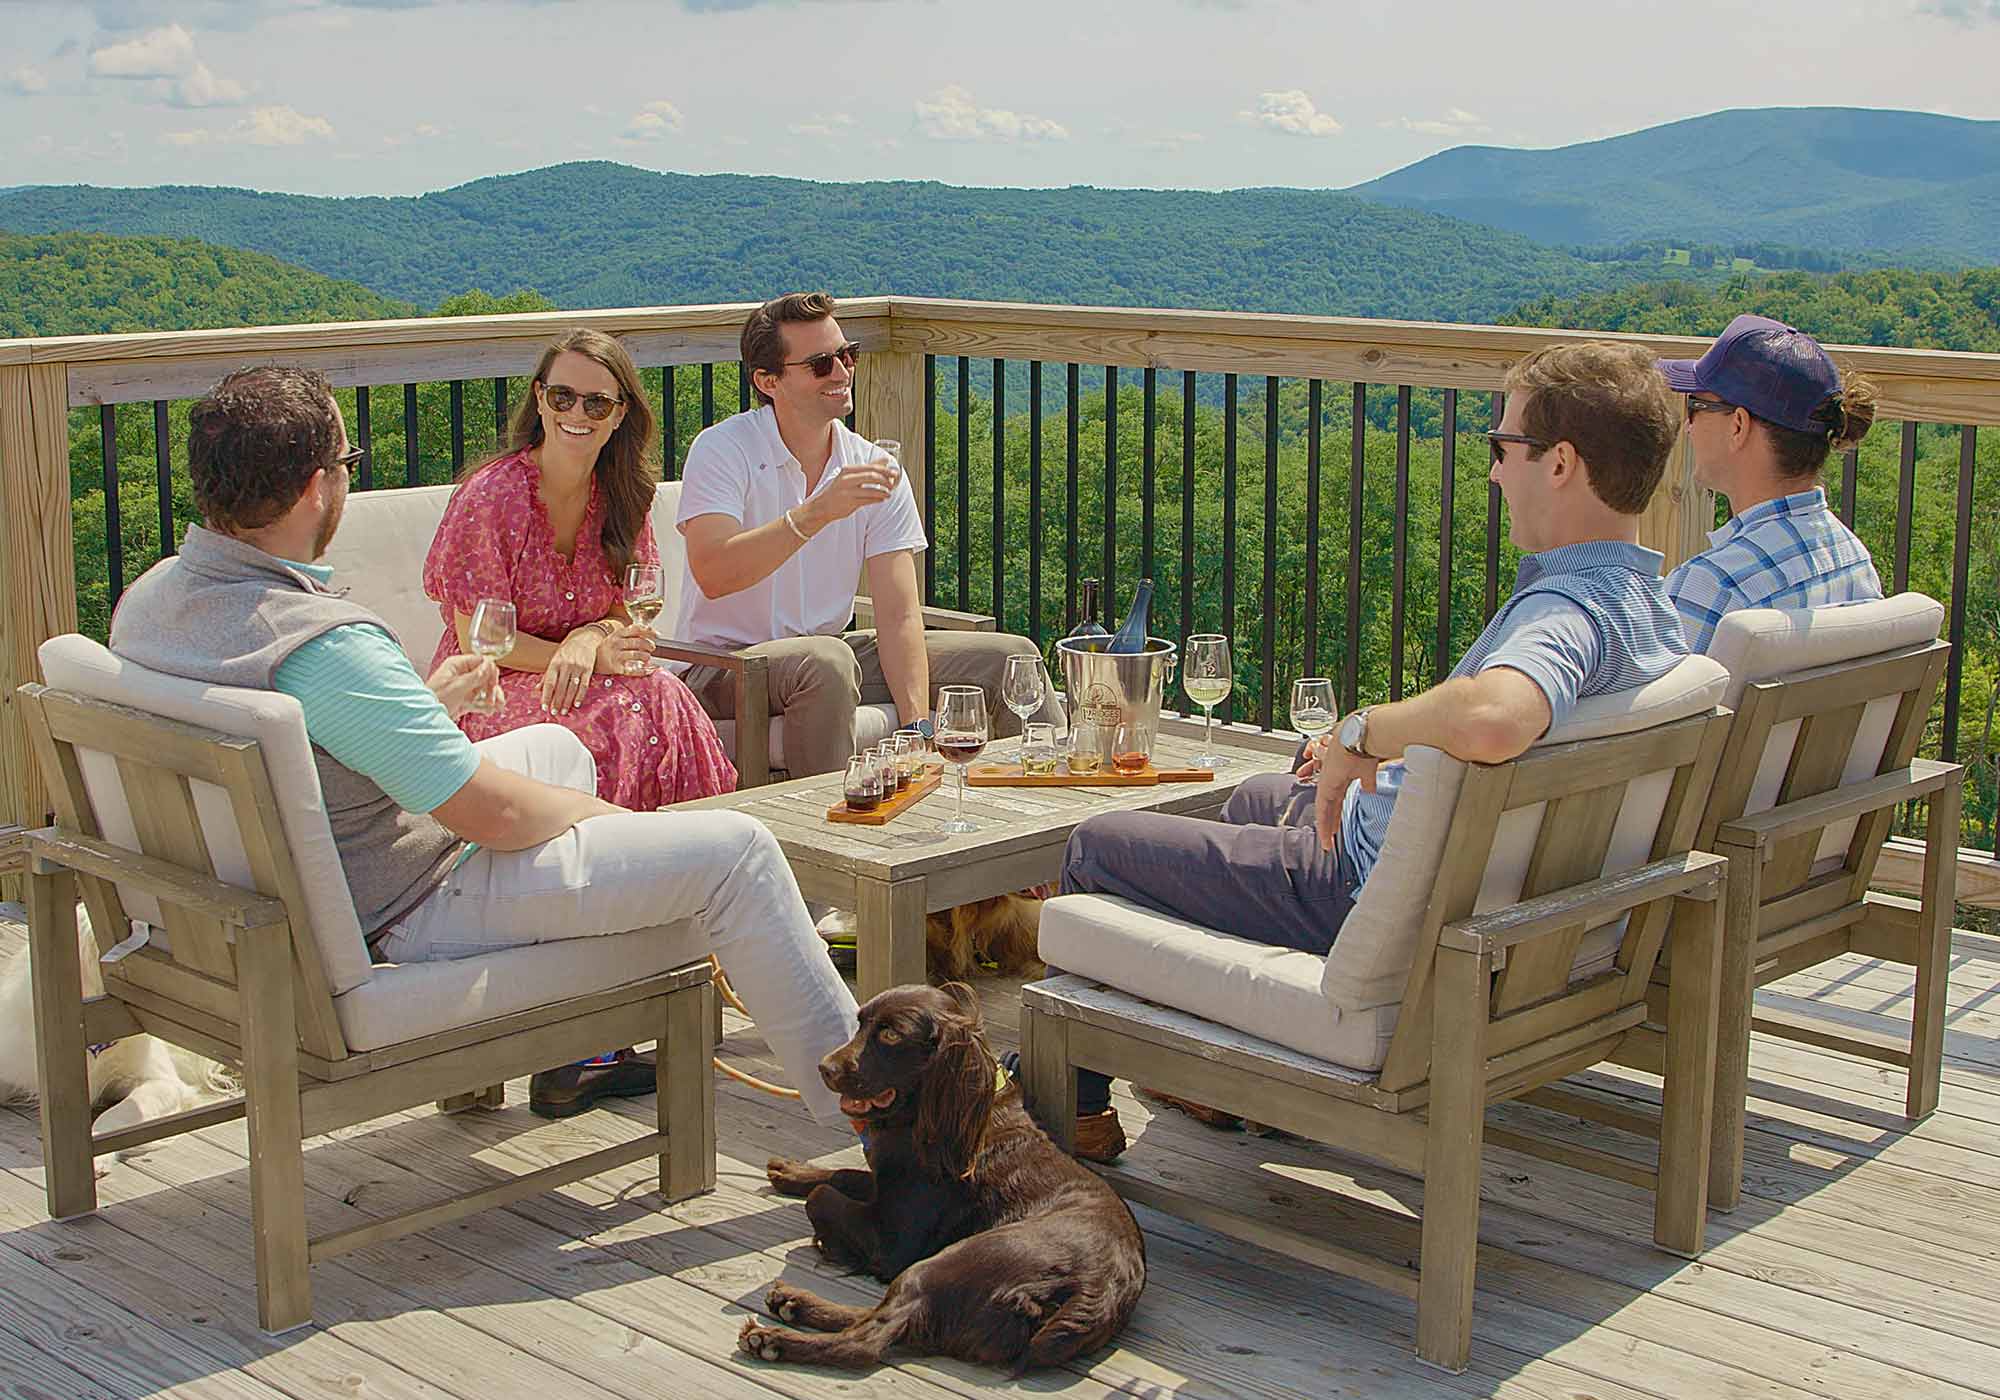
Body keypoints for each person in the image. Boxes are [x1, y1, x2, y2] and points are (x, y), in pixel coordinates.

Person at [108, 366, 858, 1126]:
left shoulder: (153, 602)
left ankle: (599, 1035)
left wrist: (424, 707)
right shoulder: (322, 646)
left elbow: (305, 743)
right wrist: (601, 817)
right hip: (406, 905)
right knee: (740, 853)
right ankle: (872, 1111)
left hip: (293, 888)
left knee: (558, 747)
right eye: (346, 463)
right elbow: (490, 818)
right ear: (314, 489)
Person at [1045, 341, 1691, 1161]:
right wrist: (1353, 759)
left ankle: (1064, 1103)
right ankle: (1205, 1075)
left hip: (1374, 897)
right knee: (1256, 796)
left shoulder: (1566, 611)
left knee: (1097, 847)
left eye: (1503, 446)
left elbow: (1495, 716)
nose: (1493, 470)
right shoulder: (1647, 604)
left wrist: (1363, 732)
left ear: (1560, 463)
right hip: (1477, 882)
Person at [671, 292, 1060, 778]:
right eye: (819, 364)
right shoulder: (723, 449)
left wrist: (920, 728)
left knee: (1009, 659)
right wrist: (815, 513)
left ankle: (1041, 825)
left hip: (825, 655)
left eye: (847, 354)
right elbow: (713, 572)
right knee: (827, 661)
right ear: (769, 381)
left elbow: (898, 614)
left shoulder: (873, 465)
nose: (841, 372)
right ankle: (826, 839)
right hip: (724, 667)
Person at [422, 329, 736, 809]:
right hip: (488, 690)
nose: (576, 414)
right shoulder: (491, 498)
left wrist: (589, 640)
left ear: (619, 414)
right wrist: (577, 657)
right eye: (562, 397)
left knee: (664, 692)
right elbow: (479, 640)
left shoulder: (624, 495)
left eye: (596, 404)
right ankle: (614, 864)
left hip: (587, 677)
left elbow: (628, 607)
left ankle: (684, 854)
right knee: (620, 711)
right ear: (540, 400)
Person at [1658, 314, 1882, 653]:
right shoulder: (1853, 562)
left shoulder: (1713, 588)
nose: (1687, 428)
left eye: (1695, 407)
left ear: (1737, 426)